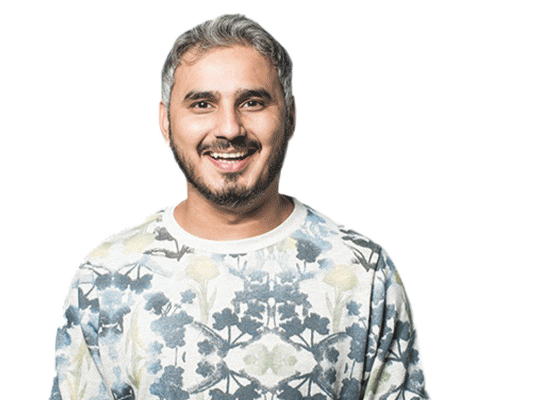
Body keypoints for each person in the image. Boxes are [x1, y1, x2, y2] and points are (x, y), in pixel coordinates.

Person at [49, 13, 431, 400]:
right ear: (165, 121)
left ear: (291, 118)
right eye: (202, 104)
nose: (230, 128)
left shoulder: (363, 274)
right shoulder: (106, 279)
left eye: (252, 102)